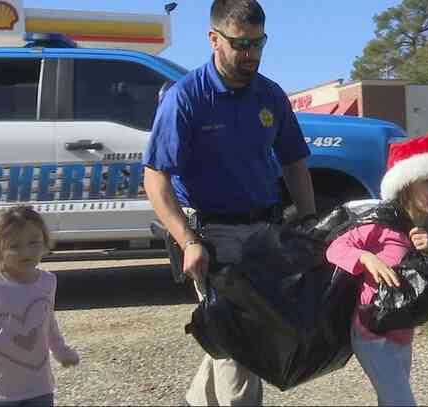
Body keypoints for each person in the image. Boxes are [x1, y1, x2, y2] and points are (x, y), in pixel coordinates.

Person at [142, 0, 316, 405]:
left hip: (263, 232)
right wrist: (189, 241)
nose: (250, 54)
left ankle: (196, 402)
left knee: (236, 335)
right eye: (240, 45)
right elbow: (155, 178)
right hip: (210, 234)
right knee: (240, 335)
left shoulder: (270, 95)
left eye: (258, 44)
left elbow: (294, 162)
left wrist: (308, 223)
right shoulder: (185, 98)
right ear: (213, 39)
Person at [325, 133, 428, 406]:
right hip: (371, 329)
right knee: (401, 401)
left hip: (403, 327)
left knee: (392, 398)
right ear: (407, 185)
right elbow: (335, 249)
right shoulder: (381, 223)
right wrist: (366, 258)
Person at [0, 205, 80, 407]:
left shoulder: (47, 281)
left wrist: (61, 350)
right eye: (15, 246)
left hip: (39, 388)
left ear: (44, 241)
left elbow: (48, 322)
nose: (26, 251)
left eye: (34, 242)